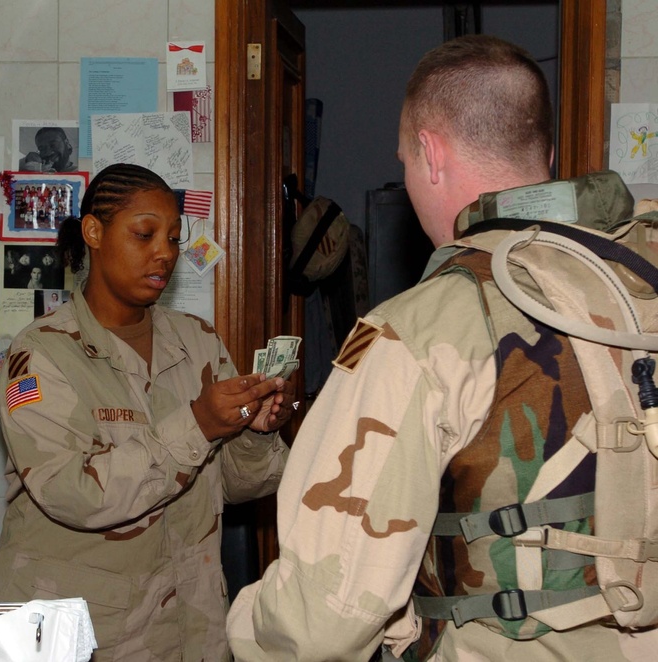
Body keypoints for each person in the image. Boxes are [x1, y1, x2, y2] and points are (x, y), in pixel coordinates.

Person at [226, 35, 658, 661]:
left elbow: (326, 616)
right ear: (549, 153)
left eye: (404, 159)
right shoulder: (639, 276)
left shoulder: (417, 330)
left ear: (429, 153)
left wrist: (235, 630)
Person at [0, 163, 294, 661]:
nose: (165, 253)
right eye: (145, 234)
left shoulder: (197, 341)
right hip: (85, 633)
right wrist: (197, 424)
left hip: (190, 626)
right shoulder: (41, 355)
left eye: (173, 238)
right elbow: (73, 494)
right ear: (94, 233)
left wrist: (254, 433)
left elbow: (234, 485)